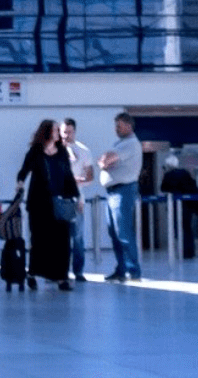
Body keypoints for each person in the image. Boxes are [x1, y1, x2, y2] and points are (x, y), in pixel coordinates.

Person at [16, 119, 80, 291]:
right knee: (39, 240)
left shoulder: (61, 152)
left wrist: (76, 197)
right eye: (54, 130)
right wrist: (20, 182)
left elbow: (68, 176)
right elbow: (24, 170)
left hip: (59, 202)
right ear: (46, 132)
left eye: (57, 130)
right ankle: (33, 273)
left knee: (62, 240)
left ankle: (61, 277)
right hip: (39, 203)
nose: (57, 133)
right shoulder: (35, 151)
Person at [98, 111, 144, 282]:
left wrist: (105, 162)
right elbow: (104, 159)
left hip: (123, 191)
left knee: (123, 232)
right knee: (114, 233)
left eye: (119, 126)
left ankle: (133, 271)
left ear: (129, 126)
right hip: (113, 193)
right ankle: (121, 269)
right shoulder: (120, 143)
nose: (116, 129)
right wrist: (105, 161)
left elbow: (105, 160)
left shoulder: (130, 144)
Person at [61, 118, 95, 282]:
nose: (67, 135)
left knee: (78, 237)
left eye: (70, 131)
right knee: (59, 237)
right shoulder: (54, 151)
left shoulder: (84, 151)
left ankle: (78, 271)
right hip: (58, 200)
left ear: (75, 131)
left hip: (76, 199)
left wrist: (75, 180)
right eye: (64, 132)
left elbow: (90, 176)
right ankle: (58, 271)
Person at [160, 154, 198, 259]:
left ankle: (182, 250)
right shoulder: (185, 173)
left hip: (175, 206)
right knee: (187, 228)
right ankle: (189, 251)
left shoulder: (168, 175)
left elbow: (163, 188)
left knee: (179, 228)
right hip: (188, 205)